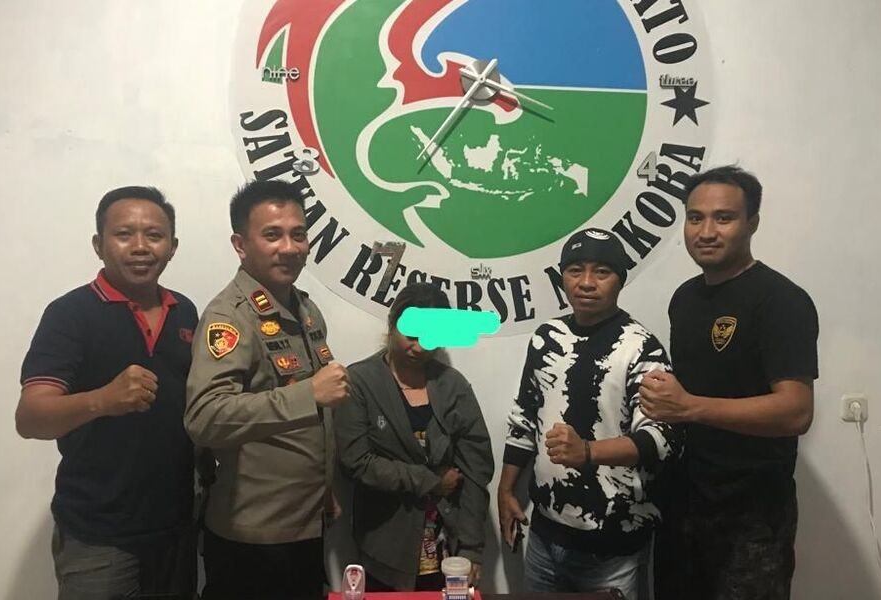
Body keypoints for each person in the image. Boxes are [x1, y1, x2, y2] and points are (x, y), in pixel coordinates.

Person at [643, 165, 818, 600]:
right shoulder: (685, 297)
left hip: (752, 516)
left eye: (724, 218)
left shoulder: (781, 301)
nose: (706, 231)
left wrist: (689, 406)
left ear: (752, 223)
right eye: (695, 217)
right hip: (684, 503)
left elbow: (796, 411)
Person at [16, 186, 198, 599]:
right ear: (99, 245)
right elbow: (29, 418)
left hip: (175, 529)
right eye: (124, 234)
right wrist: (103, 400)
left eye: (154, 235)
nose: (140, 247)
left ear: (172, 247)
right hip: (99, 535)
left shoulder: (185, 311)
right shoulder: (70, 314)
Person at [185, 179, 350, 600]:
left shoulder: (305, 309)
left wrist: (323, 489)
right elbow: (205, 418)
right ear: (241, 245)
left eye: (299, 234)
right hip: (252, 537)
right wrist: (309, 394)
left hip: (304, 522)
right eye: (273, 235)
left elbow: (305, 427)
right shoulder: (230, 317)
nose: (290, 248)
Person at [497, 228, 682, 599]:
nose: (586, 282)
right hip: (544, 536)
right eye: (575, 270)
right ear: (562, 277)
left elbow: (663, 440)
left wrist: (587, 452)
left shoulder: (641, 347)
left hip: (613, 547)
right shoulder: (546, 337)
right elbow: (525, 417)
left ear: (620, 280)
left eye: (602, 272)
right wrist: (505, 489)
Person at [334, 283, 495, 592]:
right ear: (392, 324)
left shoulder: (453, 385)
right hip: (384, 545)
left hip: (448, 550)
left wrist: (472, 547)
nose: (419, 348)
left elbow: (476, 470)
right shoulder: (361, 381)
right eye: (411, 335)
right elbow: (356, 463)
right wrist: (430, 481)